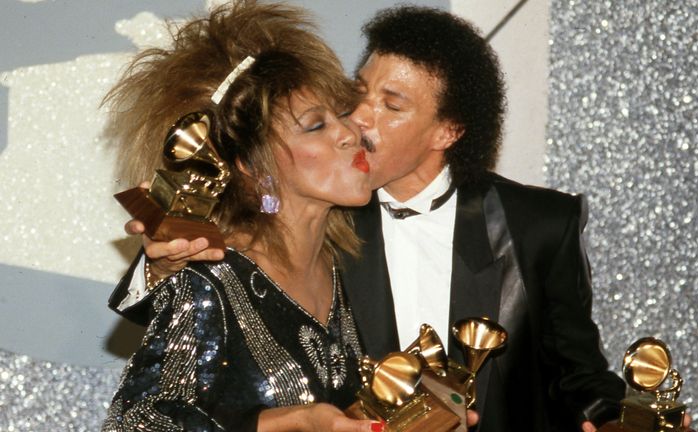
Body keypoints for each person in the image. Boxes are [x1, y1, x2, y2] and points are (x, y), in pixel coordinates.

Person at [111, 5, 638, 432]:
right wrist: (160, 262)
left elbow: (578, 375)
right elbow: (211, 297)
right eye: (357, 94)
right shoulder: (315, 224)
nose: (358, 120)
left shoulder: (536, 224)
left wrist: (623, 421)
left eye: (392, 104)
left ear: (446, 131)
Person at [101, 2, 382, 431]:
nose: (349, 134)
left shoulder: (350, 263)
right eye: (315, 125)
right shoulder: (212, 278)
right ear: (253, 166)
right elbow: (138, 422)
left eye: (342, 115)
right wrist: (290, 422)